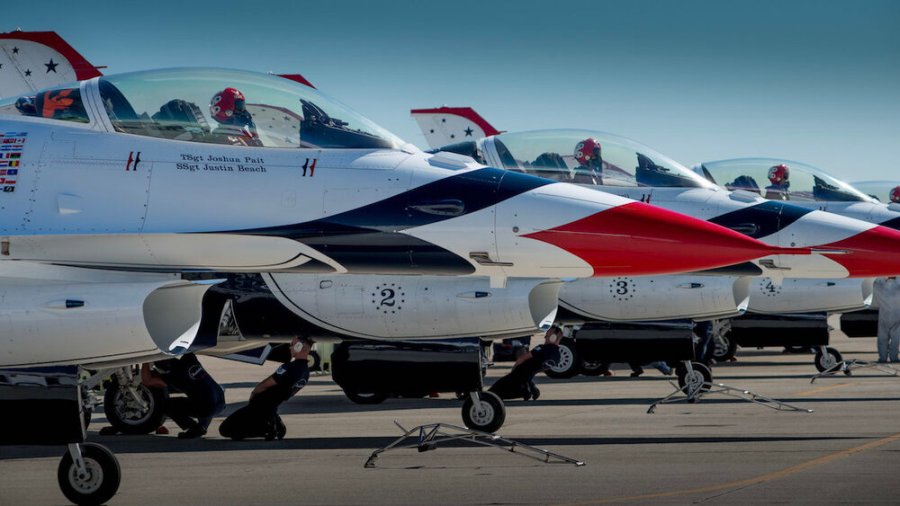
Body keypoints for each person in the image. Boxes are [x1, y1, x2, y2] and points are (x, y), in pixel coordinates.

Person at [219, 336, 313, 440]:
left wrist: (254, 393)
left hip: (261, 405)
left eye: (292, 345)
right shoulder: (305, 373)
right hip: (273, 405)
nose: (289, 347)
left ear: (299, 346)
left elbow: (266, 384)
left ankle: (267, 429)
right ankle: (273, 423)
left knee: (225, 430)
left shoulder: (289, 367)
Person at [141, 353, 226, 439]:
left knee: (166, 405)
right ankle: (202, 426)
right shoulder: (190, 359)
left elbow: (147, 381)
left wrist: (146, 361)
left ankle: (195, 428)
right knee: (204, 395)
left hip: (208, 408)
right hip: (221, 402)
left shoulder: (174, 377)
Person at [488, 327, 562, 401]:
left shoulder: (542, 348)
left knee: (493, 394)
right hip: (528, 376)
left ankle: (525, 392)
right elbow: (540, 367)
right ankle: (531, 389)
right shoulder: (557, 357)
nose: (545, 337)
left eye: (547, 335)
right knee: (496, 393)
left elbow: (522, 358)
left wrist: (513, 371)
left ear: (553, 337)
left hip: (519, 373)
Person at [873, 277, 900, 363]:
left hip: (884, 314)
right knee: (895, 339)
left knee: (882, 338)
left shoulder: (879, 284)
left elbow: (875, 284)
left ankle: (883, 358)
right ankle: (894, 358)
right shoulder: (897, 283)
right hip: (897, 314)